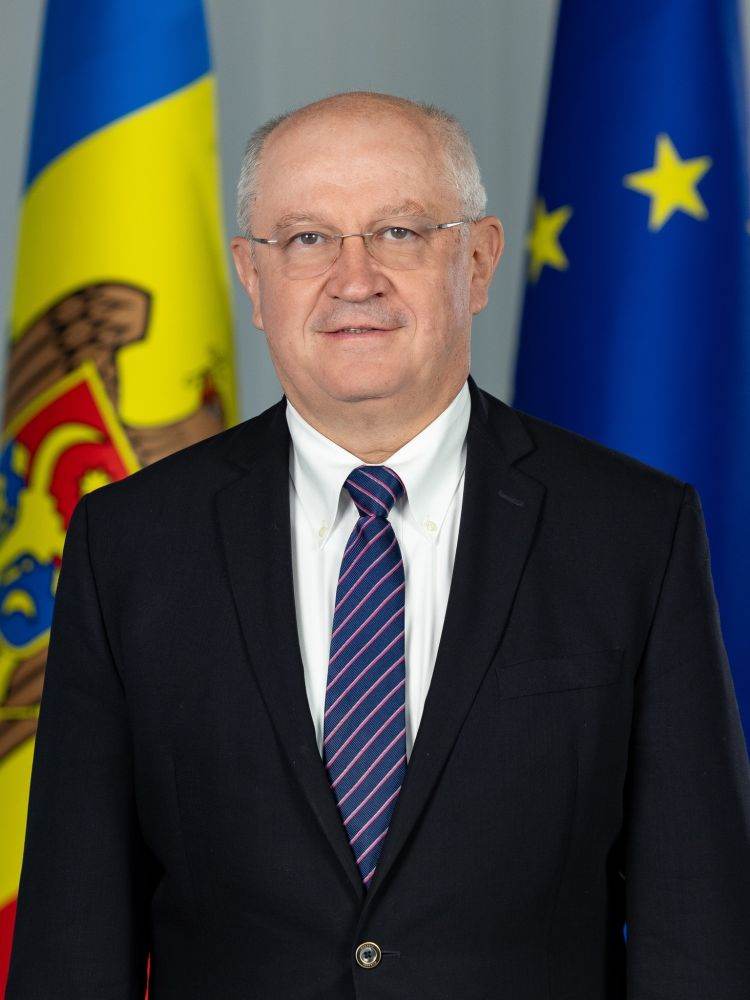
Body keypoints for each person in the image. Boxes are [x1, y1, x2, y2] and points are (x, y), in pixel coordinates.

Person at [7, 90, 750, 999]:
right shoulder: (129, 544)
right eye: (306, 239)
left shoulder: (633, 531)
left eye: (399, 232)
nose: (353, 279)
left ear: (477, 260)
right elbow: (73, 942)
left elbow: (699, 930)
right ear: (252, 276)